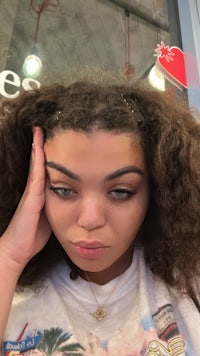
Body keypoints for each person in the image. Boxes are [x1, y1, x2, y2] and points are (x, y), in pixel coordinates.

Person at [0, 78, 200, 355]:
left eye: (120, 192)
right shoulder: (9, 288)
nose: (90, 219)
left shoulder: (190, 282)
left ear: (157, 192)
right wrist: (9, 256)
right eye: (63, 189)